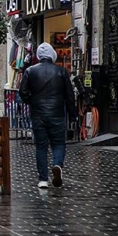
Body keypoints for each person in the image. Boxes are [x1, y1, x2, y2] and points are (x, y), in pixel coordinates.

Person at [18, 43, 77, 189]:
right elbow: (69, 95)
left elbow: (22, 91)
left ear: (38, 55)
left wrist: (32, 101)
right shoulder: (62, 72)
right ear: (52, 55)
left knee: (41, 147)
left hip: (38, 114)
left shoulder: (30, 71)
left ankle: (43, 179)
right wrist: (73, 114)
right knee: (58, 143)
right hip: (57, 113)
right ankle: (57, 164)